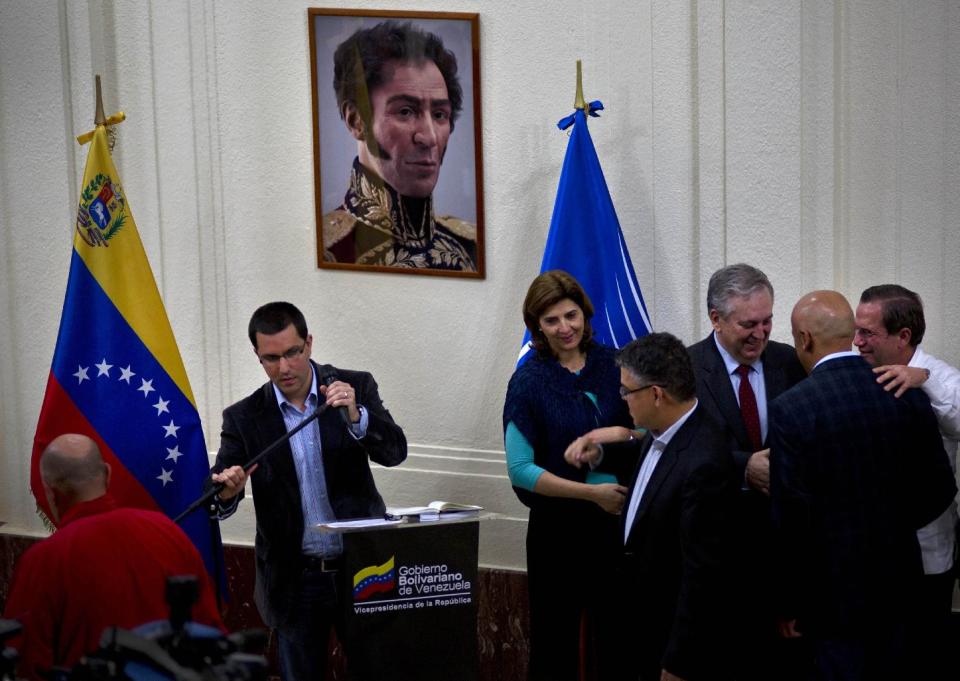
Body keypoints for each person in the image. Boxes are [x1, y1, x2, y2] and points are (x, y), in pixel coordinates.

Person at [209, 302, 406, 681]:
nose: (284, 368)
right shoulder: (245, 417)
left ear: (309, 344)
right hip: (295, 582)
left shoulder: (353, 387)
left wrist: (356, 415)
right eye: (271, 358)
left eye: (292, 353)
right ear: (257, 356)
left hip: (362, 571)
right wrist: (228, 490)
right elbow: (217, 491)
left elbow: (395, 452)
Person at [769, 290, 956, 681]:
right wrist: (890, 527)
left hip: (832, 594)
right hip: (903, 581)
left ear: (803, 339)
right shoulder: (905, 392)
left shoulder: (792, 407)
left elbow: (792, 518)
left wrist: (788, 602)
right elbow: (941, 488)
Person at [566, 332, 737, 681]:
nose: (623, 399)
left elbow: (701, 577)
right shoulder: (665, 429)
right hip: (636, 629)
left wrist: (677, 663)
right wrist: (601, 453)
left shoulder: (706, 462)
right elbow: (655, 471)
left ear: (656, 394)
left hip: (667, 645)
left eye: (627, 391)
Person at [502, 270, 636, 681]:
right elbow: (520, 470)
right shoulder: (528, 381)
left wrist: (617, 434)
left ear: (585, 313)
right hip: (556, 533)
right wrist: (589, 495)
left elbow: (654, 430)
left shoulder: (617, 364)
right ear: (537, 327)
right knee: (554, 647)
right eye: (552, 320)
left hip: (620, 527)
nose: (565, 328)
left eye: (571, 315)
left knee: (619, 642)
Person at [4, 434, 223, 681]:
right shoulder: (167, 532)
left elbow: (24, 664)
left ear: (50, 492)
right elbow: (209, 630)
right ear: (108, 474)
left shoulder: (43, 562)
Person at [685, 263, 807, 680]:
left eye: (768, 320)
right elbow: (678, 451)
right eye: (748, 324)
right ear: (716, 319)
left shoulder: (789, 362)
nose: (761, 333)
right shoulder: (686, 370)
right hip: (717, 558)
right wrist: (742, 467)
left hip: (779, 557)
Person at [853, 284, 959, 676]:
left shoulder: (942, 378)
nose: (857, 341)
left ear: (903, 337)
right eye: (856, 330)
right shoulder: (855, 366)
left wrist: (923, 377)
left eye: (867, 333)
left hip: (926, 553)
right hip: (869, 554)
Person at [322, 20, 478, 271]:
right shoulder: (329, 250)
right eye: (405, 111)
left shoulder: (471, 246)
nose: (429, 138)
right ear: (356, 120)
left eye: (439, 114)